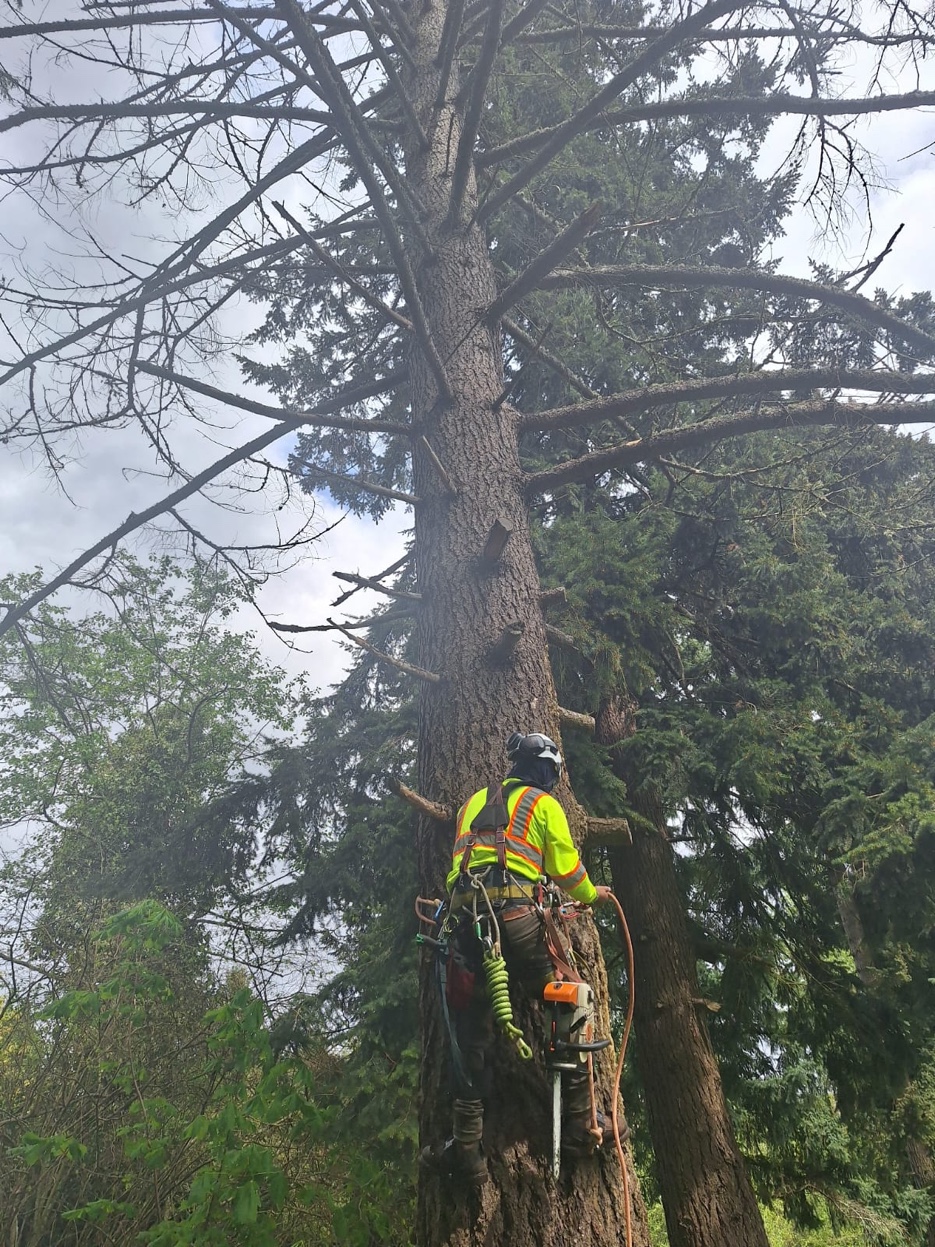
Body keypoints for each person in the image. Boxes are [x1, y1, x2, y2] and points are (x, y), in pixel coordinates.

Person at [420, 731, 614, 1186]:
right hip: (518, 923)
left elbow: (458, 865)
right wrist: (592, 893)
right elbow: (566, 870)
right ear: (548, 769)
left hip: (467, 927)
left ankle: (466, 1146)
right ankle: (585, 1125)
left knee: (471, 1032)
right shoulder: (544, 806)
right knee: (572, 999)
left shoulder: (473, 802)